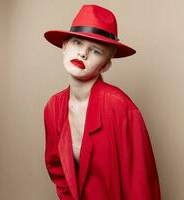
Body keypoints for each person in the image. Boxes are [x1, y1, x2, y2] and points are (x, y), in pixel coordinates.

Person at [43, 4, 161, 200]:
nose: (82, 54)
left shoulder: (121, 108)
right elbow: (58, 170)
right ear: (64, 46)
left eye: (96, 51)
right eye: (77, 43)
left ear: (105, 65)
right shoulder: (53, 107)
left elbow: (141, 186)